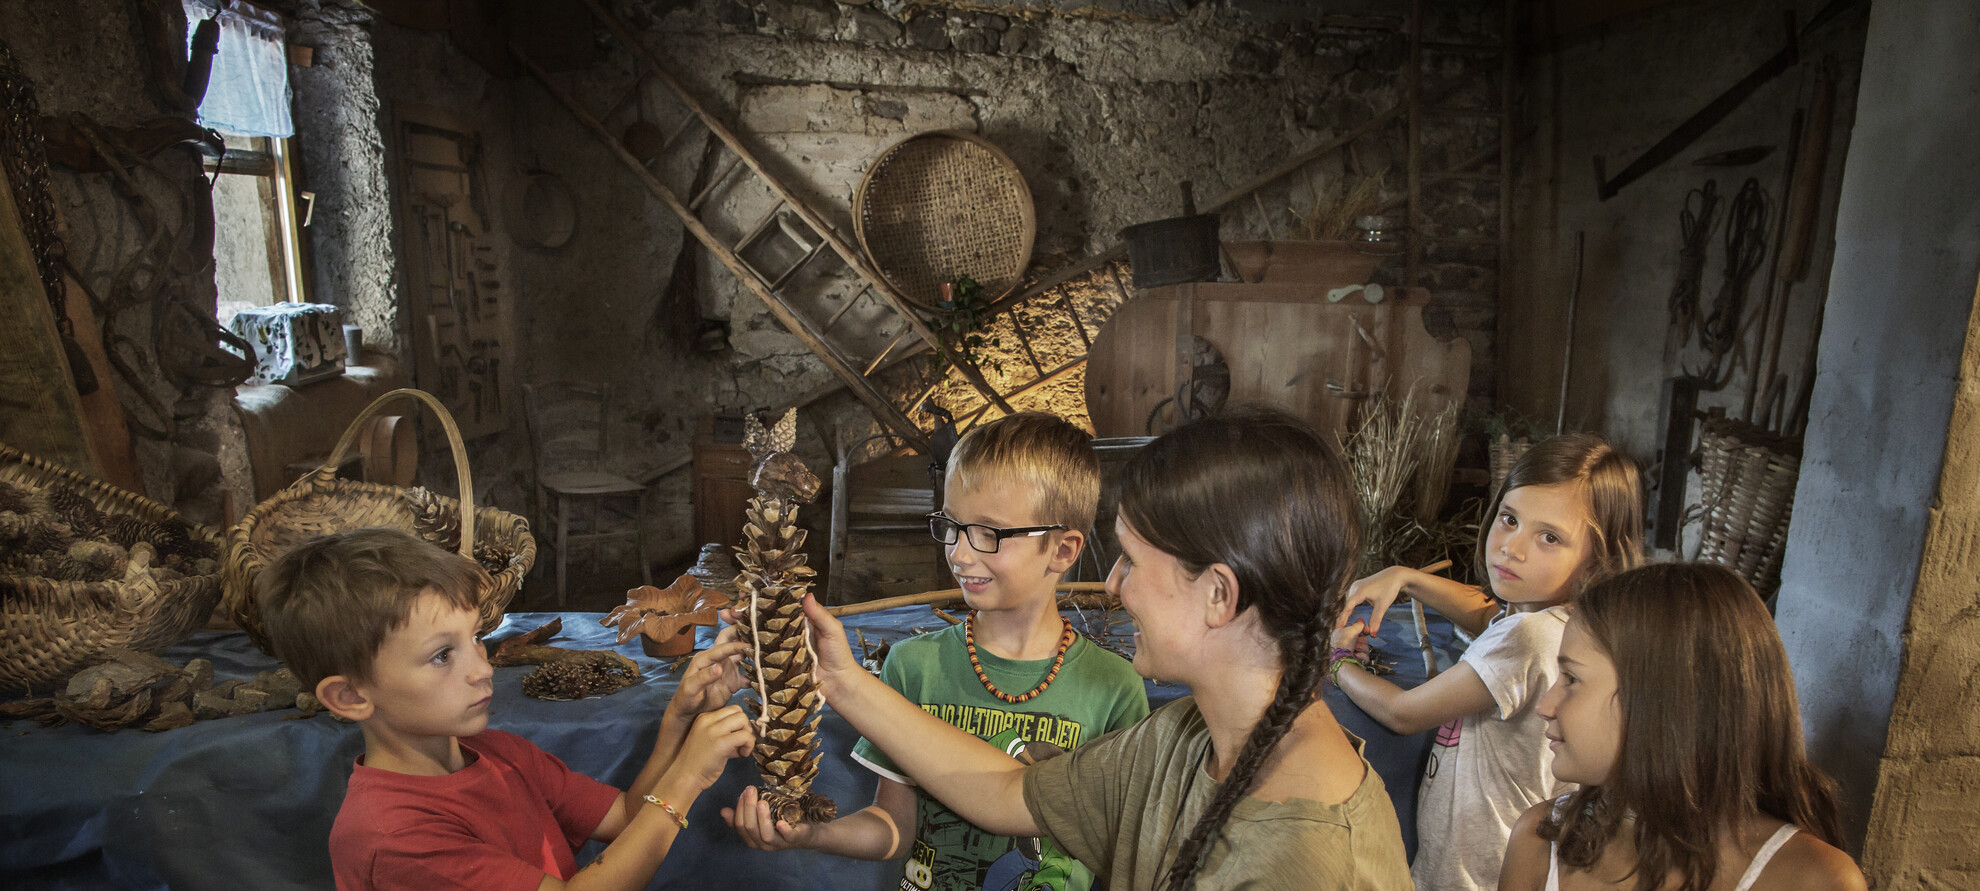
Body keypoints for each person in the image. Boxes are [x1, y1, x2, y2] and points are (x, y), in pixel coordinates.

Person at [749, 408, 1411, 890]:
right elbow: (1013, 790)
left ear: (1218, 594)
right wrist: (843, 680)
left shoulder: (1308, 862)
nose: (1114, 584)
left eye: (1131, 559)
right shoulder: (1183, 738)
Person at [724, 411, 1149, 891]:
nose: (960, 554)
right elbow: (894, 828)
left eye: (989, 533)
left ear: (1063, 550)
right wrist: (811, 833)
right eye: (951, 526)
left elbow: (1119, 855)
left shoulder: (1115, 690)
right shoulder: (912, 666)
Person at [256, 527, 755, 891]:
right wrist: (688, 777)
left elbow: (627, 817)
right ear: (351, 697)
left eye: (475, 639)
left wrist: (680, 718)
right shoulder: (394, 837)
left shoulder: (496, 753)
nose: (482, 668)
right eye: (441, 655)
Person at [1331, 434, 1644, 891]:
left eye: (1549, 538)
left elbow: (1403, 713)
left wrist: (1335, 662)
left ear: (1600, 557)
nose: (1512, 548)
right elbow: (1488, 614)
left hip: (1473, 870)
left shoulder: (1530, 636)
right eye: (1510, 519)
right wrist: (1406, 578)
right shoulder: (1565, 621)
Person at [1498, 562, 1867, 891]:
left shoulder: (1813, 879)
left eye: (1572, 679)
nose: (1546, 706)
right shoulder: (1540, 840)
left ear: (1664, 699)